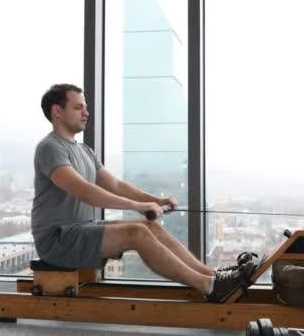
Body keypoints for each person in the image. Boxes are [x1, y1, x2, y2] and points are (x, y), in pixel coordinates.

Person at [31, 83, 253, 303]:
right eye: (78, 107)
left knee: (148, 227)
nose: (86, 113)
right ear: (57, 111)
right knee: (137, 234)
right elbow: (84, 191)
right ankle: (210, 287)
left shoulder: (84, 150)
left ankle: (213, 277)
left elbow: (116, 185)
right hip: (57, 239)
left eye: (85, 107)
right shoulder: (50, 148)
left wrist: (155, 200)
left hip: (81, 230)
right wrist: (138, 207)